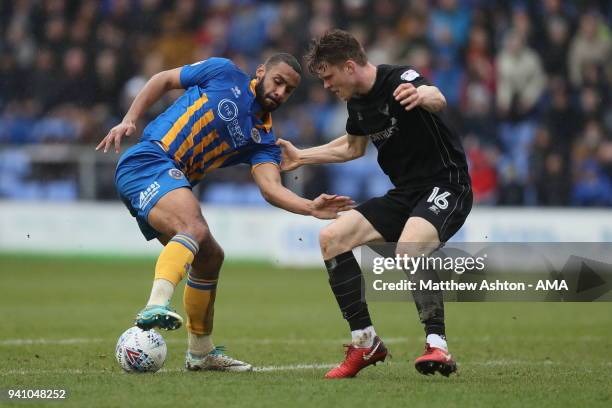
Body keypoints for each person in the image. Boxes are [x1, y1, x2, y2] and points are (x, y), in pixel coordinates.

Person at [96, 53, 354, 372]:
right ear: (261, 72)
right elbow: (162, 80)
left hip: (169, 180)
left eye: (288, 90)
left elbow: (271, 188)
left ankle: (200, 354)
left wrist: (310, 207)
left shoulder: (263, 139)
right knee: (193, 227)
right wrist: (130, 118)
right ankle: (155, 306)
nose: (280, 93)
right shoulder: (223, 73)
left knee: (209, 258)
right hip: (149, 160)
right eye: (278, 82)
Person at [277, 30, 472, 378]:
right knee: (331, 239)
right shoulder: (358, 105)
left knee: (410, 248)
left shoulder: (400, 78)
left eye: (328, 76)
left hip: (447, 184)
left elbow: (437, 96)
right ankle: (365, 343)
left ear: (349, 66)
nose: (326, 86)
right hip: (406, 193)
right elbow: (353, 148)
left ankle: (438, 346)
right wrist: (301, 157)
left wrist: (421, 95)